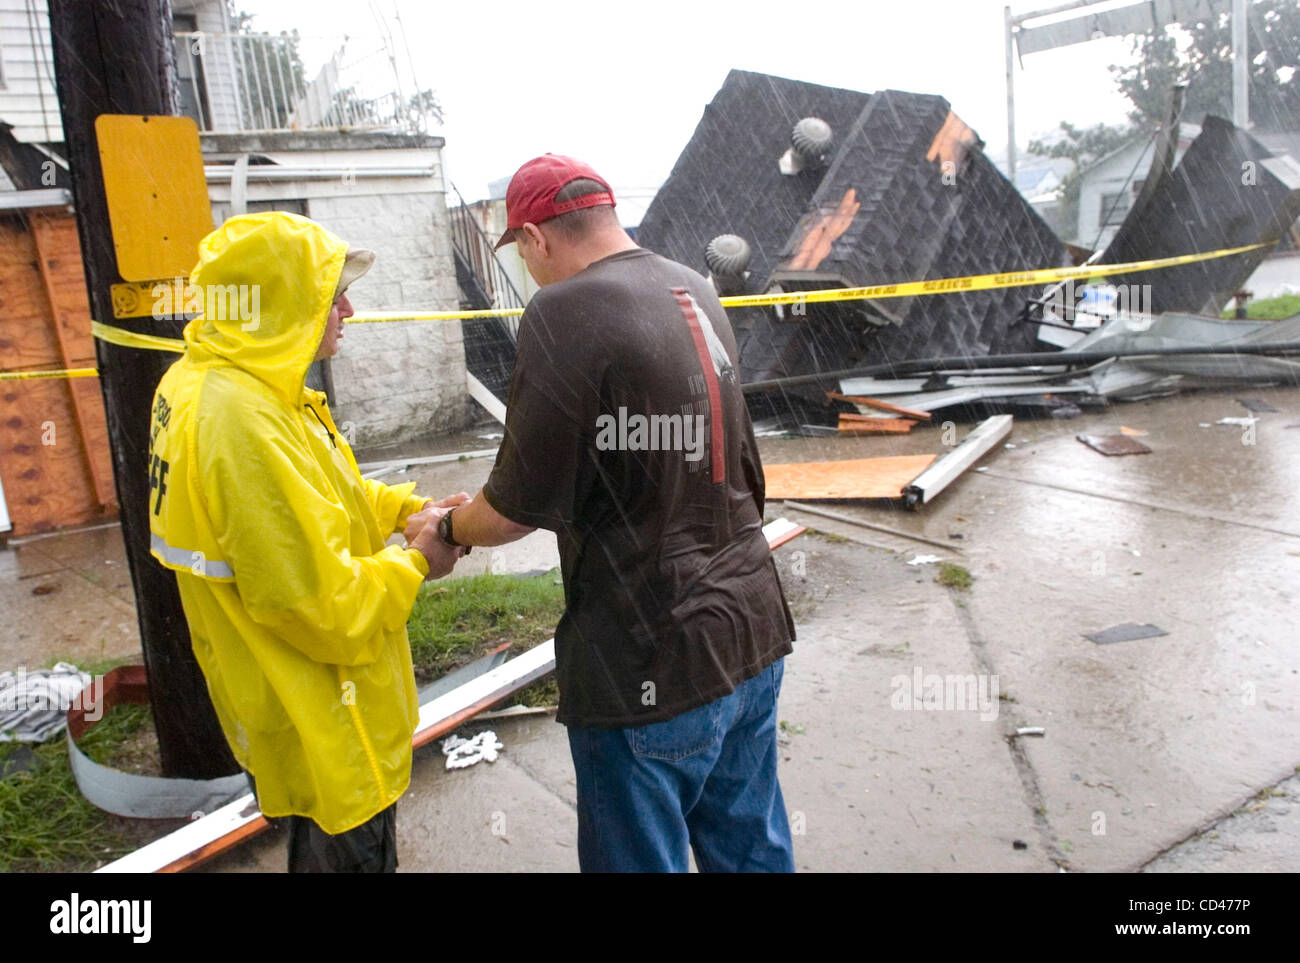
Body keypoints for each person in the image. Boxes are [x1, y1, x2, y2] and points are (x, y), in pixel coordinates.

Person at [405, 154, 797, 872]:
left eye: (521, 253)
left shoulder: (564, 310)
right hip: (750, 628)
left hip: (650, 654)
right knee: (750, 849)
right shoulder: (694, 287)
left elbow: (516, 506)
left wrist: (449, 529)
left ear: (535, 239)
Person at [147, 211, 466, 872]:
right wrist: (418, 561)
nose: (348, 307)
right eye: (329, 294)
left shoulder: (228, 381)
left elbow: (322, 491)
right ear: (280, 304)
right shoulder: (242, 421)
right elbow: (329, 609)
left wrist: (408, 507)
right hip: (327, 717)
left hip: (283, 706)